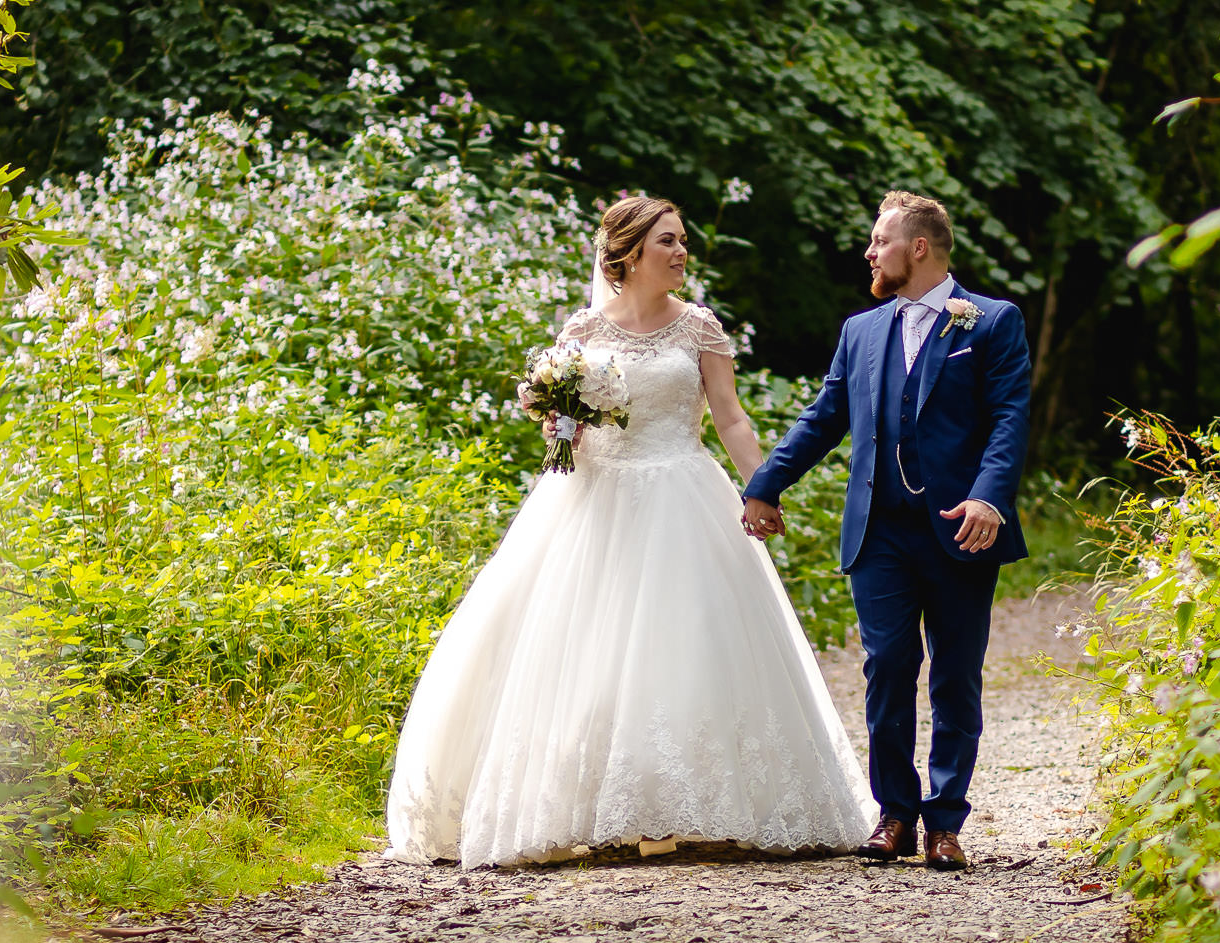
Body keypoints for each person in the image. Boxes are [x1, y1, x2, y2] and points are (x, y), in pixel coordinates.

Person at [384, 196, 875, 869]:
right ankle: (583, 804)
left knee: (685, 645)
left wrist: (760, 486)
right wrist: (556, 419)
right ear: (629, 253)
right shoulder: (583, 331)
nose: (680, 254)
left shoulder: (699, 329)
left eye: (681, 242)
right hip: (594, 501)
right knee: (583, 650)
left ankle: (686, 806)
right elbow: (565, 428)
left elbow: (729, 418)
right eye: (667, 242)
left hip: (682, 492)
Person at [740, 191, 1030, 872]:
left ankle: (946, 821)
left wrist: (990, 498)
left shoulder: (991, 321)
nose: (870, 253)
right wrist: (764, 482)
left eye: (880, 241)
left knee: (956, 676)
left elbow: (1010, 418)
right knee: (888, 668)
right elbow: (823, 418)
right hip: (880, 535)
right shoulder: (861, 331)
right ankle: (895, 813)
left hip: (964, 531)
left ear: (918, 247)